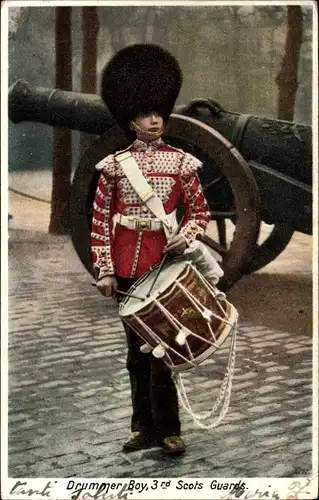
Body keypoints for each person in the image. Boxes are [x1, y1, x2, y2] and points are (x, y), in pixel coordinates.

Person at [90, 44, 211, 455]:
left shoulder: (181, 163)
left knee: (165, 350)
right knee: (136, 354)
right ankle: (142, 428)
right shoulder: (113, 166)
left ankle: (169, 429)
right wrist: (105, 270)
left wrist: (188, 235)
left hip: (165, 265)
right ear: (131, 119)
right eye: (146, 113)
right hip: (127, 265)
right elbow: (101, 222)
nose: (155, 119)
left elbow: (200, 213)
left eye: (159, 111)